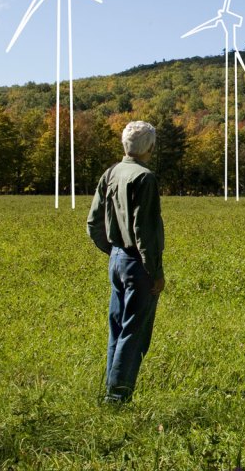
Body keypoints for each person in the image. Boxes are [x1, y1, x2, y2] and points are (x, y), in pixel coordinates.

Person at [87, 120, 165, 403]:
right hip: (138, 263)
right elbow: (145, 230)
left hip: (117, 259)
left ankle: (111, 387)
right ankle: (117, 396)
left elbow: (93, 222)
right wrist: (154, 271)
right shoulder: (145, 178)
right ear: (151, 147)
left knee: (117, 327)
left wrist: (113, 251)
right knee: (134, 331)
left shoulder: (111, 173)